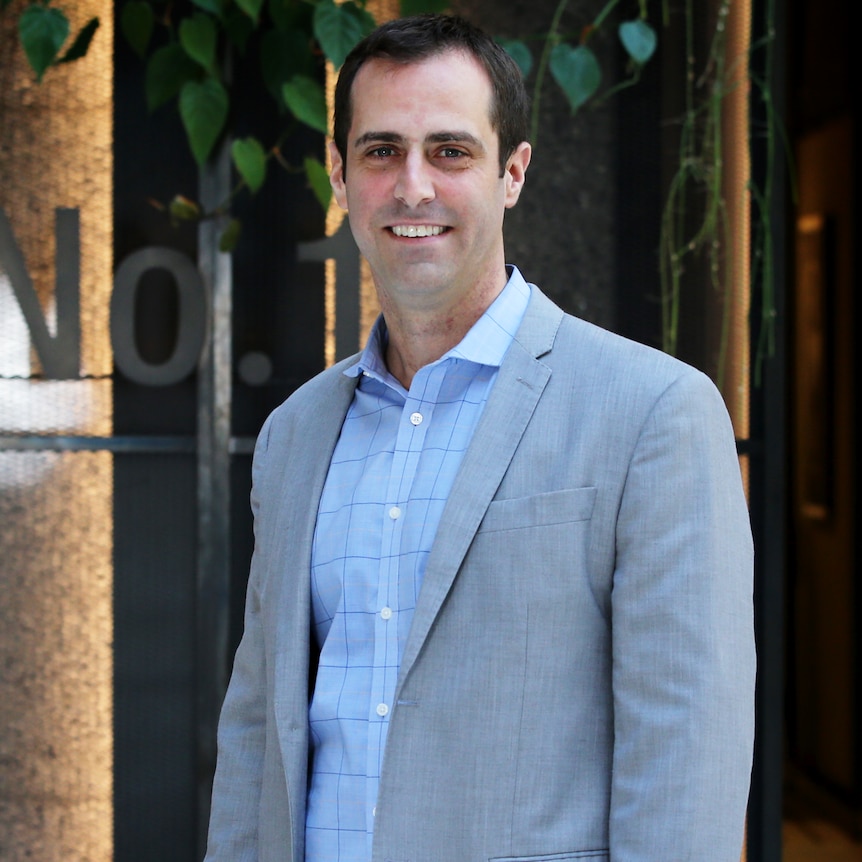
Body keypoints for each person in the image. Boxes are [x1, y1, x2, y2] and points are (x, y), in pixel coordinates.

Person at [205, 13, 755, 862]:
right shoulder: (294, 436)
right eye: (381, 151)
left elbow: (687, 760)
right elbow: (257, 731)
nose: (413, 186)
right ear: (340, 177)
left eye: (451, 152)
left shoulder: (655, 414)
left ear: (513, 173)